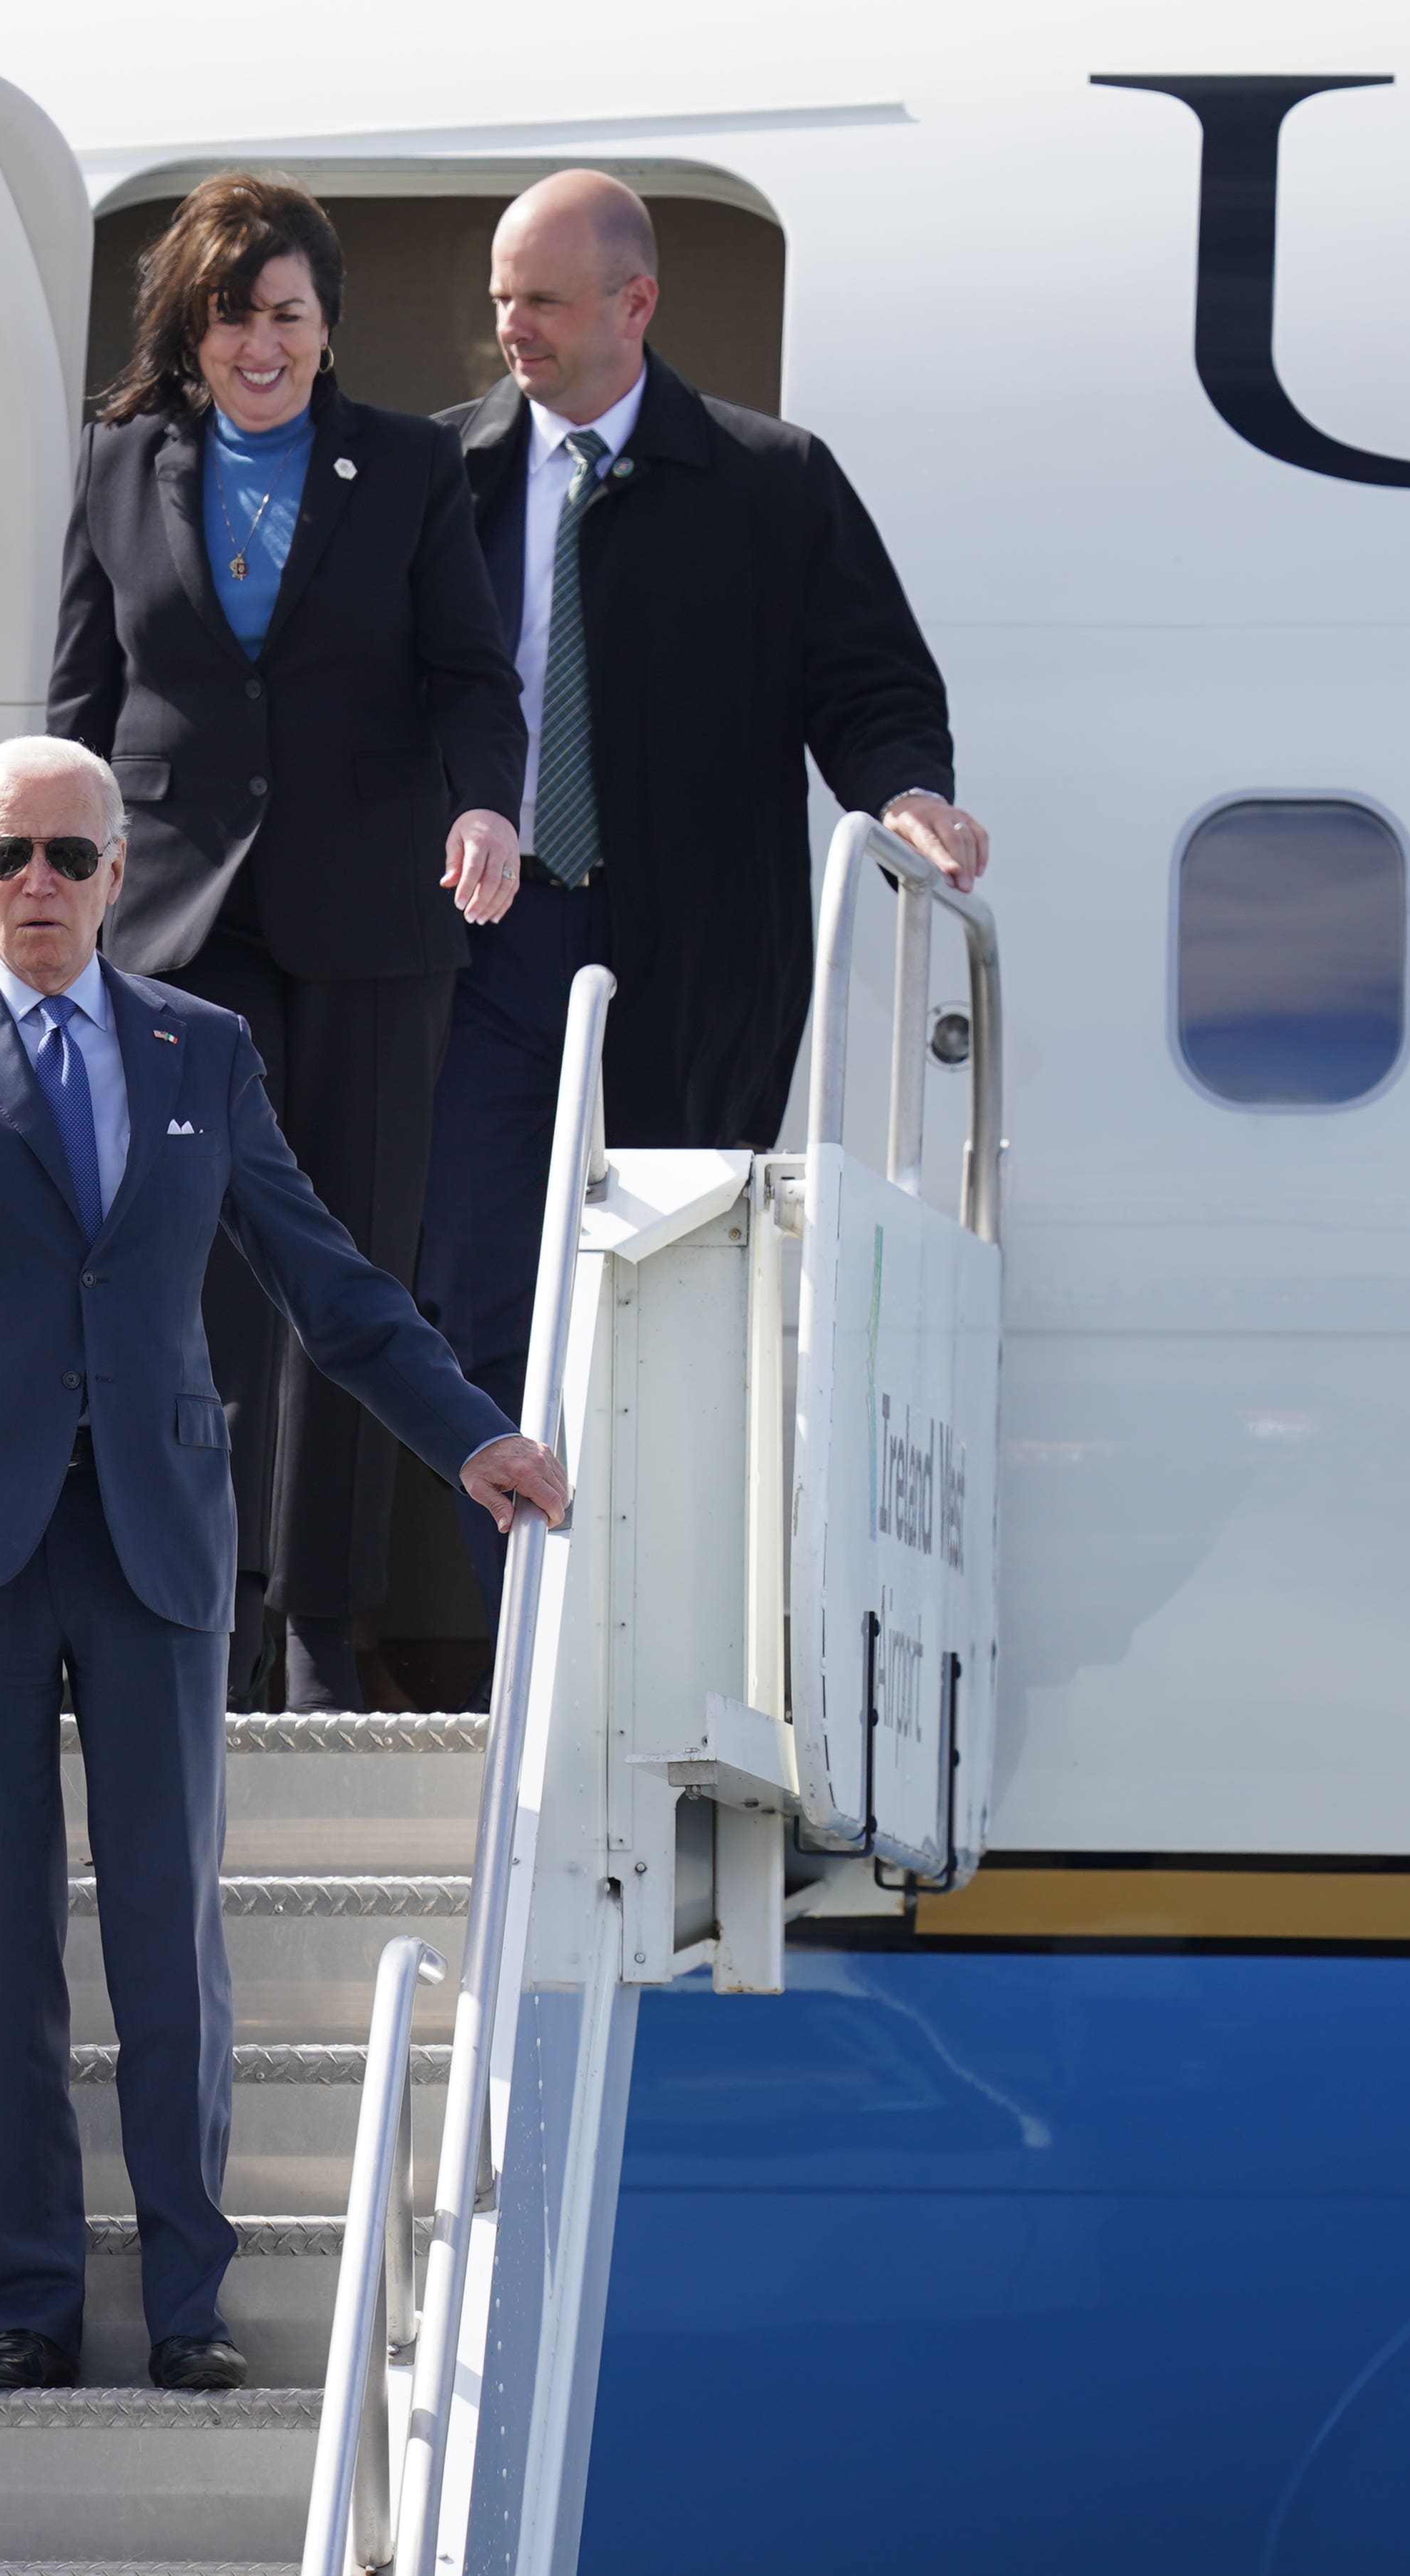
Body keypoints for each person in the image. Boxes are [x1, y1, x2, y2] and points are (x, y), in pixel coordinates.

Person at [0, 736, 566, 2394]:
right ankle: (29, 2299)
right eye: (10, 859)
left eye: (72, 856)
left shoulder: (199, 1046)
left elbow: (326, 1279)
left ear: (122, 872)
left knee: (166, 1926)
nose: (42, 887)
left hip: (152, 1526)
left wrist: (469, 1435)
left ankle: (189, 2299)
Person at [424, 170, 987, 1582]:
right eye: (502, 297)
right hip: (485, 949)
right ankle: (523, 1630)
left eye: (544, 301)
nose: (514, 329)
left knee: (675, 1278)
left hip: (697, 951)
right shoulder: (441, 478)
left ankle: (651, 1605)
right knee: (478, 1283)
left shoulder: (769, 483)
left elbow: (868, 689)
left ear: (638, 302)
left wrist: (908, 793)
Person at [49, 173, 527, 1710]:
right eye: (231, 315)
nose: (260, 344)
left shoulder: (405, 467)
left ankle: (321, 1630)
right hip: (177, 922)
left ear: (328, 328)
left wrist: (487, 811)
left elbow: (470, 674)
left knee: (350, 1283)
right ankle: (197, 1614)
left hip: (371, 924)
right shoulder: (119, 461)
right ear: (188, 329)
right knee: (188, 1276)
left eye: (287, 315)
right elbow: (76, 702)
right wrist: (50, 888)